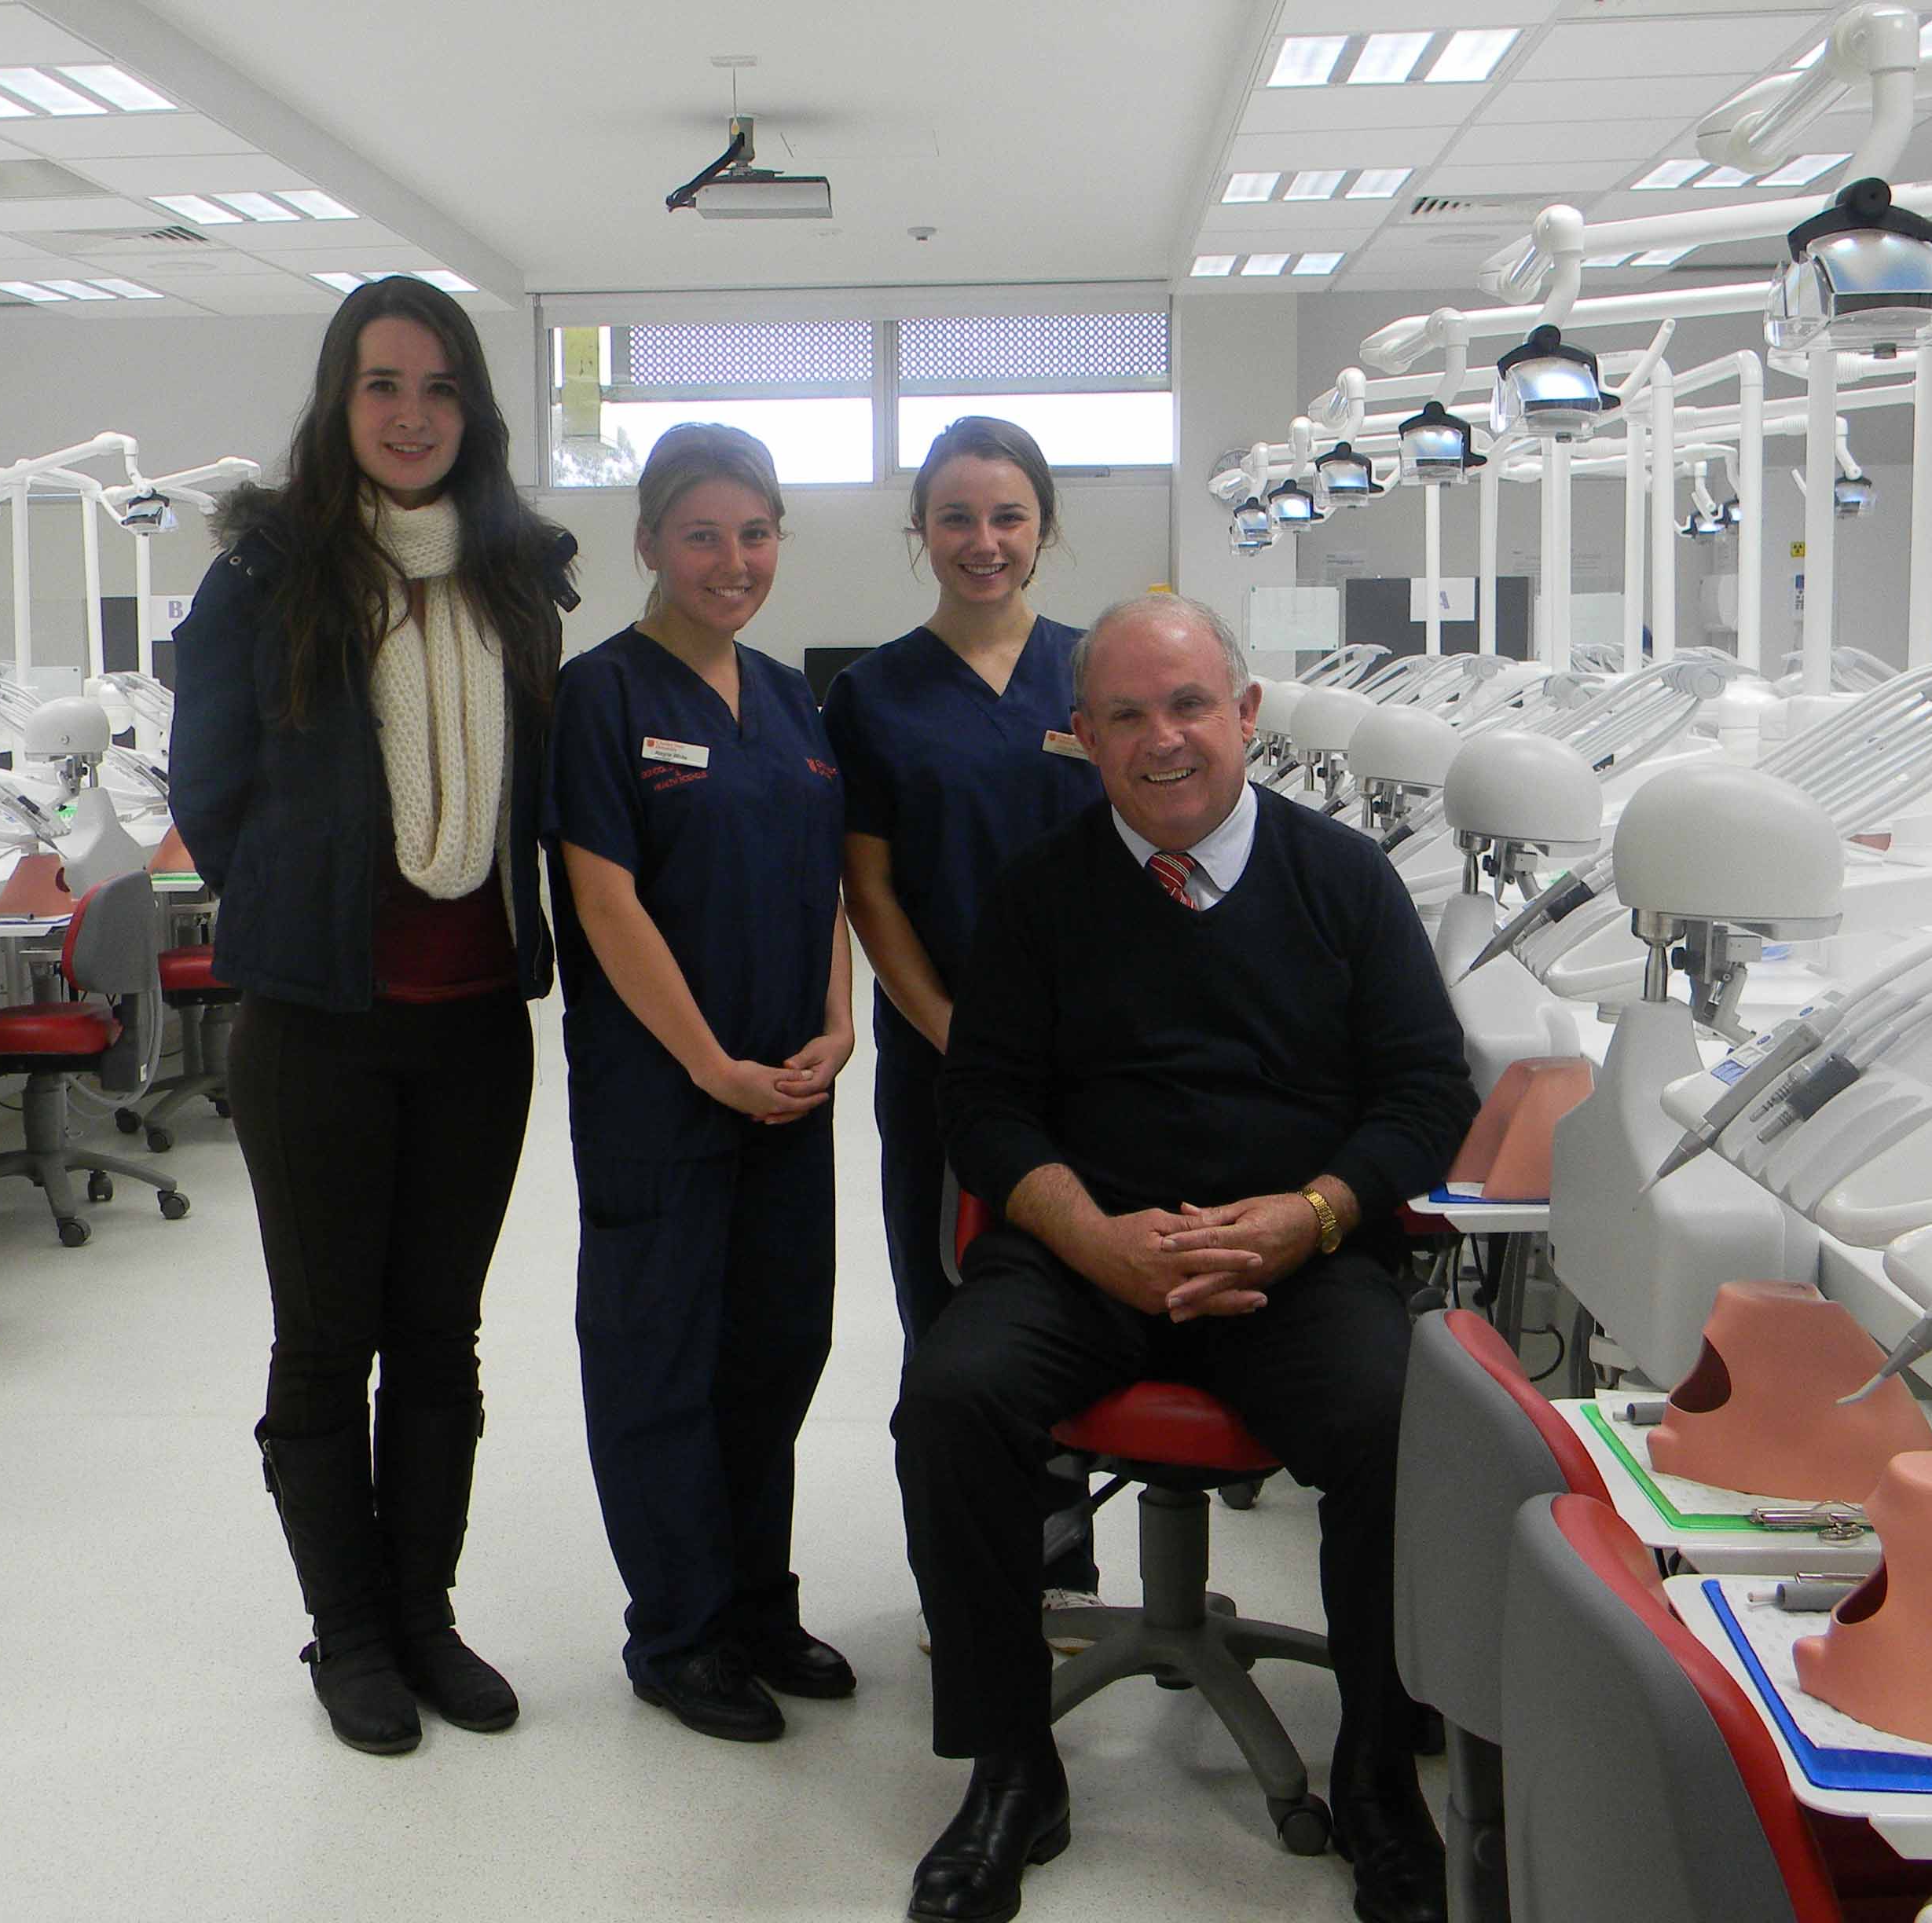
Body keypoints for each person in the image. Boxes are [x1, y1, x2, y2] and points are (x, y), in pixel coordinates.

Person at [894, 595, 1477, 1923]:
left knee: (1398, 1424)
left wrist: (1313, 1214)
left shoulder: (1344, 882)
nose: (1164, 741)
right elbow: (982, 1105)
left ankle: (1380, 1773)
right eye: (1127, 717)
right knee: (951, 1400)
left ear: (1248, 715)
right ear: (1083, 738)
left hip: (1293, 1258)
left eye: (1190, 705)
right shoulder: (1039, 896)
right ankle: (1009, 1767)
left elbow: (1423, 1094)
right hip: (1090, 1258)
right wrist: (1095, 1240)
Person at [170, 275, 574, 1756]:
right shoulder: (268, 576)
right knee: (327, 1338)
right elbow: (205, 795)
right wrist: (308, 910)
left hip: (477, 1024)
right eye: (383, 385)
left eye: (441, 388)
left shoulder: (520, 577)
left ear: (474, 411)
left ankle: (424, 1614)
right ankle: (346, 1633)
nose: (412, 416)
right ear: (339, 403)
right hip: (320, 1026)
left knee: (442, 1339)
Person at [544, 423, 857, 1745]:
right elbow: (604, 903)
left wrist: (842, 1028)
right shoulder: (602, 696)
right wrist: (710, 1067)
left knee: (776, 1350)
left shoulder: (790, 702)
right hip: (666, 1095)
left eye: (755, 533)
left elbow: (828, 884)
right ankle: (676, 1633)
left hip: (791, 1090)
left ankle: (755, 1604)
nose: (734, 562)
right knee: (661, 1359)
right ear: (650, 545)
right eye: (703, 535)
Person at [821, 417, 1107, 1637]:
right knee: (950, 1324)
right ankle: (966, 1592)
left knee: (1076, 1308)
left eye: (1006, 517)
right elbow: (869, 892)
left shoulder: (1097, 675)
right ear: (921, 533)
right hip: (942, 1068)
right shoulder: (872, 695)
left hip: (1096, 1071)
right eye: (956, 518)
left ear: (1044, 527)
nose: (982, 543)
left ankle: (1056, 1573)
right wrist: (953, 1036)